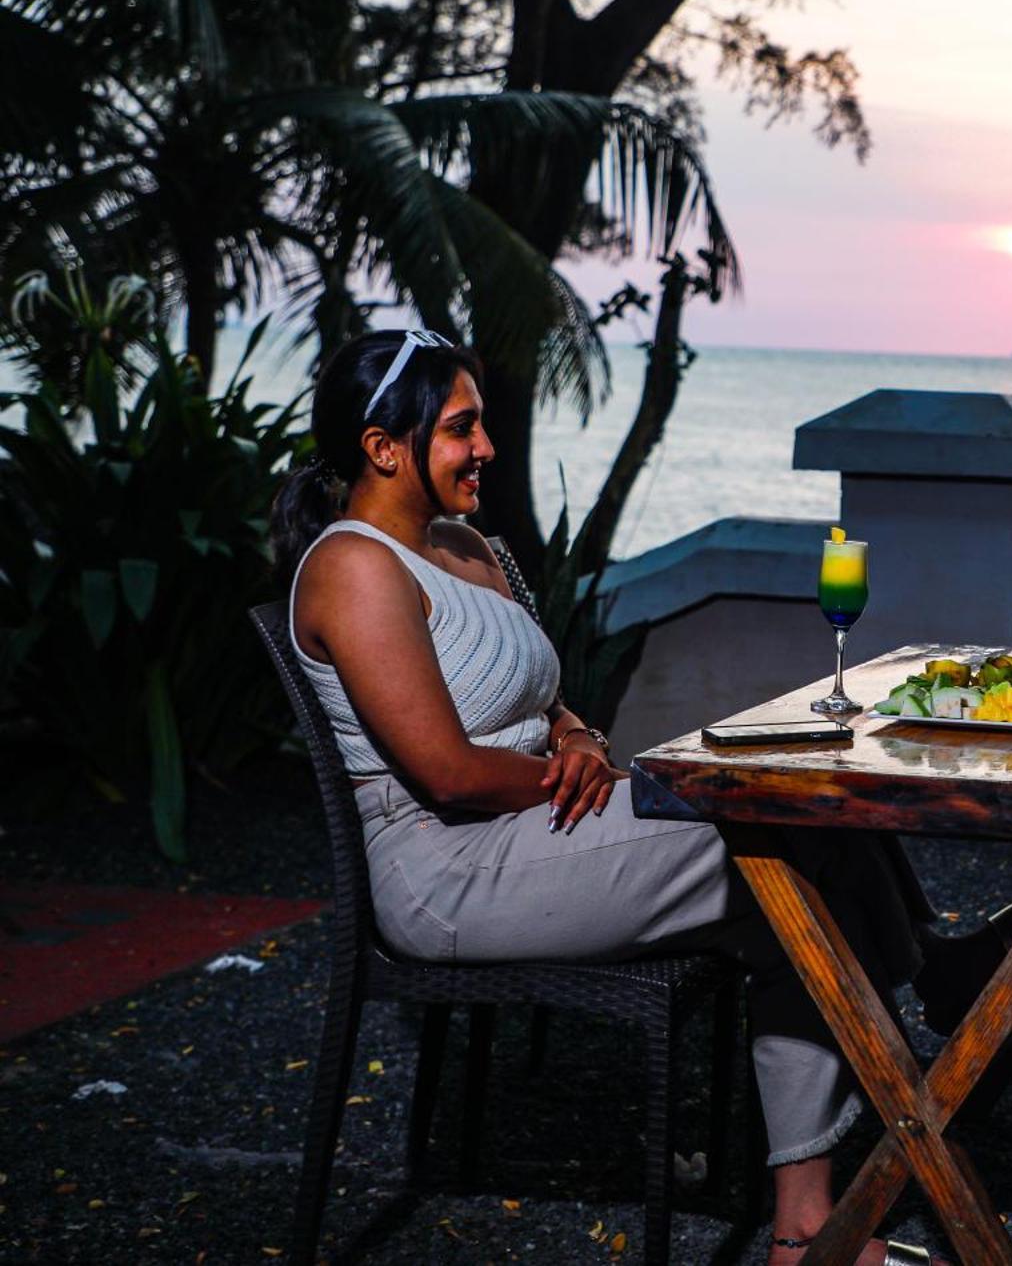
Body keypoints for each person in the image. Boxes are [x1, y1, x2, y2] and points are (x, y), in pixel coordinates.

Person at [272, 329, 951, 1266]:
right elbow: (448, 771)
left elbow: (542, 697)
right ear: (384, 446)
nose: (488, 449)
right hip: (449, 864)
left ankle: (807, 1226)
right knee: (786, 821)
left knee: (799, 821)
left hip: (538, 821)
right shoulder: (353, 567)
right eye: (462, 429)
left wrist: (582, 736)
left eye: (485, 426)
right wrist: (599, 776)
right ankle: (942, 990)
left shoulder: (466, 544)